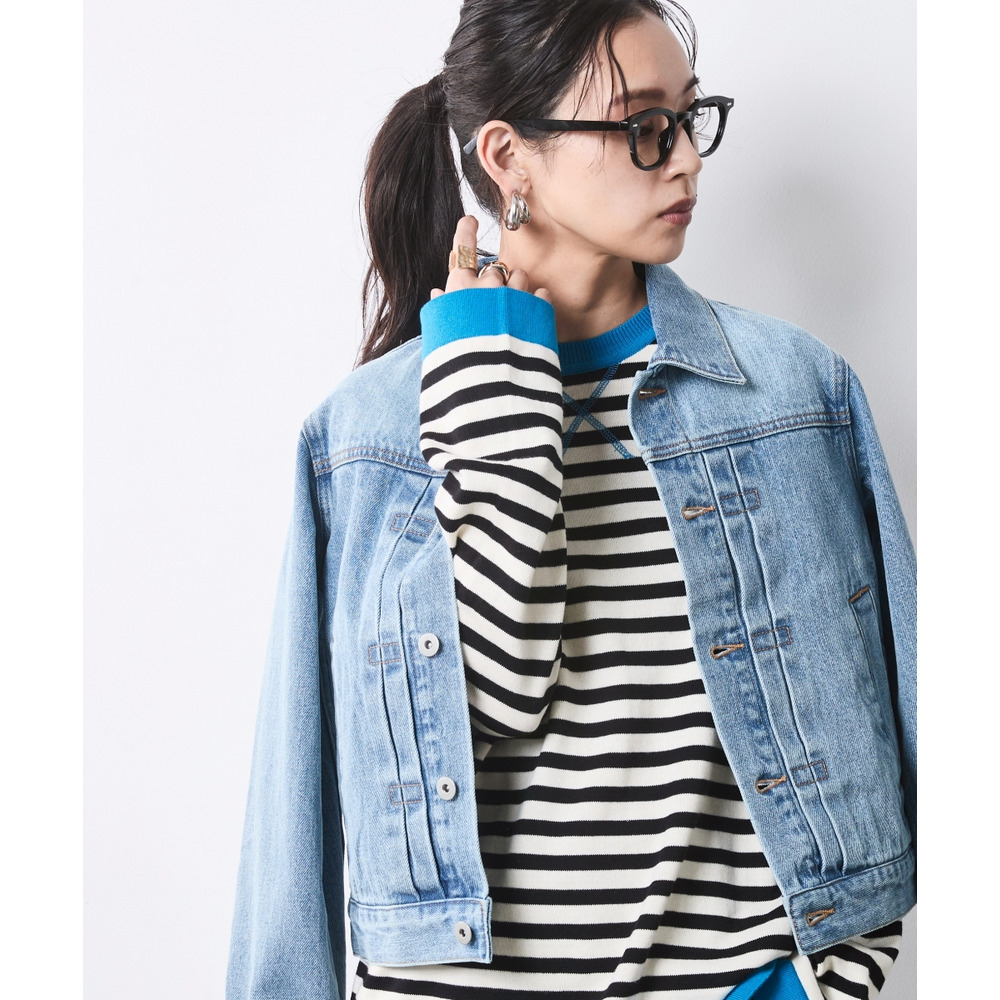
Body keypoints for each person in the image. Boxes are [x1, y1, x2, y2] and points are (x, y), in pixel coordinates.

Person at [226, 2, 916, 999]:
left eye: (691, 118)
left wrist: (827, 979)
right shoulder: (365, 438)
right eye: (645, 127)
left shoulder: (791, 397)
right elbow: (469, 704)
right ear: (509, 157)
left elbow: (920, 722)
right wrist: (491, 374)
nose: (686, 160)